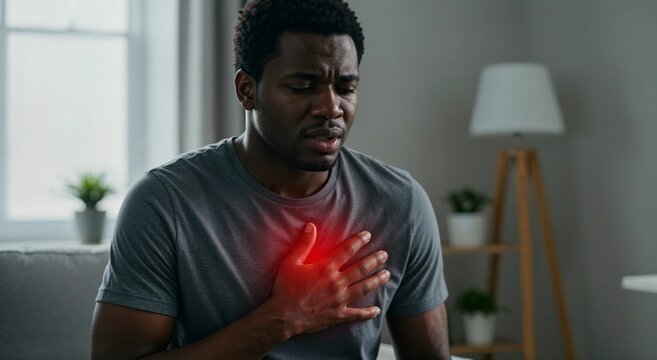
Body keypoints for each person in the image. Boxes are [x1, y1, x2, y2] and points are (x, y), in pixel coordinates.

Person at [91, 0, 450, 359]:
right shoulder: (166, 202)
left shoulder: (400, 202)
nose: (331, 107)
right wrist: (281, 320)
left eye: (345, 87)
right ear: (247, 89)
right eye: (302, 86)